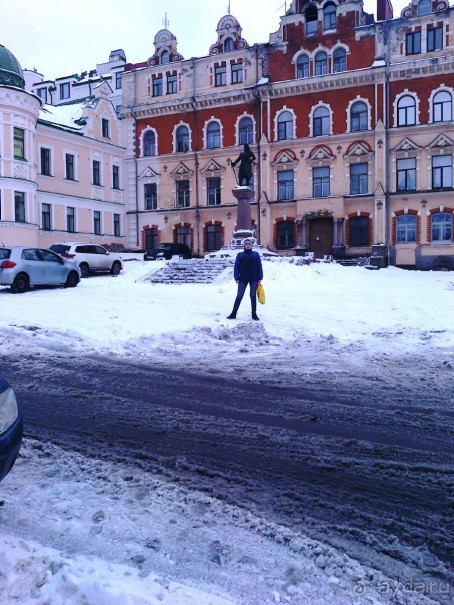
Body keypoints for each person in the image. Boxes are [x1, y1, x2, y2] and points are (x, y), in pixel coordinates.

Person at [227, 239, 263, 321]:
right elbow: (236, 267)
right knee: (239, 295)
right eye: (246, 244)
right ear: (244, 245)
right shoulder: (240, 255)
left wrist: (260, 277)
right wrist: (236, 277)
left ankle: (254, 314)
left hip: (254, 278)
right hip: (243, 278)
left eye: (249, 244)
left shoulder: (256, 254)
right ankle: (233, 313)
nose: (247, 245)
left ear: (251, 245)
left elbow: (259, 266)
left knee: (252, 296)